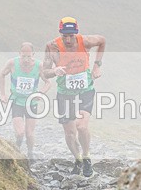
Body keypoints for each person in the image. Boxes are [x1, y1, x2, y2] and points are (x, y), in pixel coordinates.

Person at [42, 17, 105, 177]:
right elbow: (44, 72)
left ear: (76, 33)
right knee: (70, 133)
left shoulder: (85, 41)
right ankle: (77, 159)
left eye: (71, 35)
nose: (68, 39)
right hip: (65, 93)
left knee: (81, 126)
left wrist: (97, 66)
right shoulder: (52, 46)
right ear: (60, 33)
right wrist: (54, 72)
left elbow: (102, 41)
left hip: (85, 90)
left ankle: (87, 157)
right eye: (65, 36)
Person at [0, 42, 50, 159]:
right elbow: (1, 75)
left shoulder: (39, 65)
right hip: (16, 101)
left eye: (29, 56)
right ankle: (17, 147)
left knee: (29, 134)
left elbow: (48, 83)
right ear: (19, 54)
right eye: (23, 56)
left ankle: (30, 153)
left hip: (31, 103)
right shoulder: (12, 63)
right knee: (20, 132)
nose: (26, 59)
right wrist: (3, 94)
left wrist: (41, 93)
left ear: (33, 54)